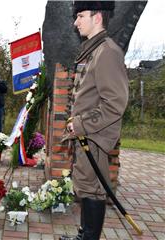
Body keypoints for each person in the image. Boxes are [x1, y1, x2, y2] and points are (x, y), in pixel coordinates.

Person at [61, 1, 129, 240]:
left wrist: (80, 124)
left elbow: (115, 104)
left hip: (95, 136)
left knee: (92, 189)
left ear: (97, 17)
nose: (75, 22)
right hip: (87, 134)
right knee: (87, 186)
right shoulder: (94, 49)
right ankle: (85, 235)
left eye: (80, 16)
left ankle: (88, 238)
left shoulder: (107, 52)